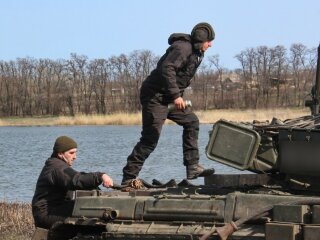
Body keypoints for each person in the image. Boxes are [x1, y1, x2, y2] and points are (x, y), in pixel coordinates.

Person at [122, 22, 215, 185]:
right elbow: (167, 68)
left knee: (192, 121)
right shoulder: (182, 48)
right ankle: (128, 178)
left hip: (168, 98)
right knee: (150, 138)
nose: (211, 44)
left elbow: (180, 77)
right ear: (201, 40)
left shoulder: (197, 53)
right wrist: (176, 96)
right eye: (209, 41)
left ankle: (192, 166)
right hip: (155, 97)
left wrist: (176, 96)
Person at [32, 135, 113, 229]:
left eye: (75, 153)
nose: (75, 157)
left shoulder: (57, 165)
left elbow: (78, 176)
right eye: (71, 153)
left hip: (56, 209)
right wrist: (100, 176)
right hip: (47, 215)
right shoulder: (56, 168)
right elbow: (76, 180)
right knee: (90, 217)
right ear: (60, 154)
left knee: (88, 207)